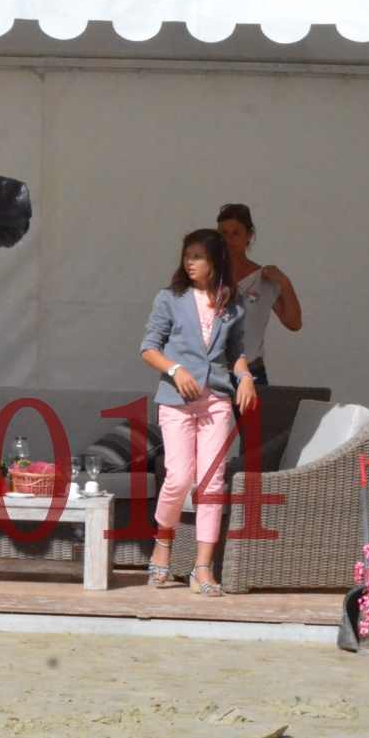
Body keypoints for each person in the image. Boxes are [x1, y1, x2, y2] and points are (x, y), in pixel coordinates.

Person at [140, 228, 258, 596]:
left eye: (198, 256)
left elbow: (235, 352)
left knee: (212, 483)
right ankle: (163, 544)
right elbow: (148, 348)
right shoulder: (170, 298)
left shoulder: (233, 305)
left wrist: (245, 377)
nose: (189, 262)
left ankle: (202, 569)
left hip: (217, 402)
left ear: (215, 260)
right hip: (176, 401)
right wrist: (175, 369)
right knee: (178, 477)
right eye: (186, 255)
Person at [216, 203, 303, 387]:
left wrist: (285, 283)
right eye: (224, 233)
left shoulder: (263, 279)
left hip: (251, 373)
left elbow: (293, 323)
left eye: (236, 233)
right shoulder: (209, 276)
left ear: (249, 236)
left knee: (254, 417)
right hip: (214, 373)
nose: (229, 240)